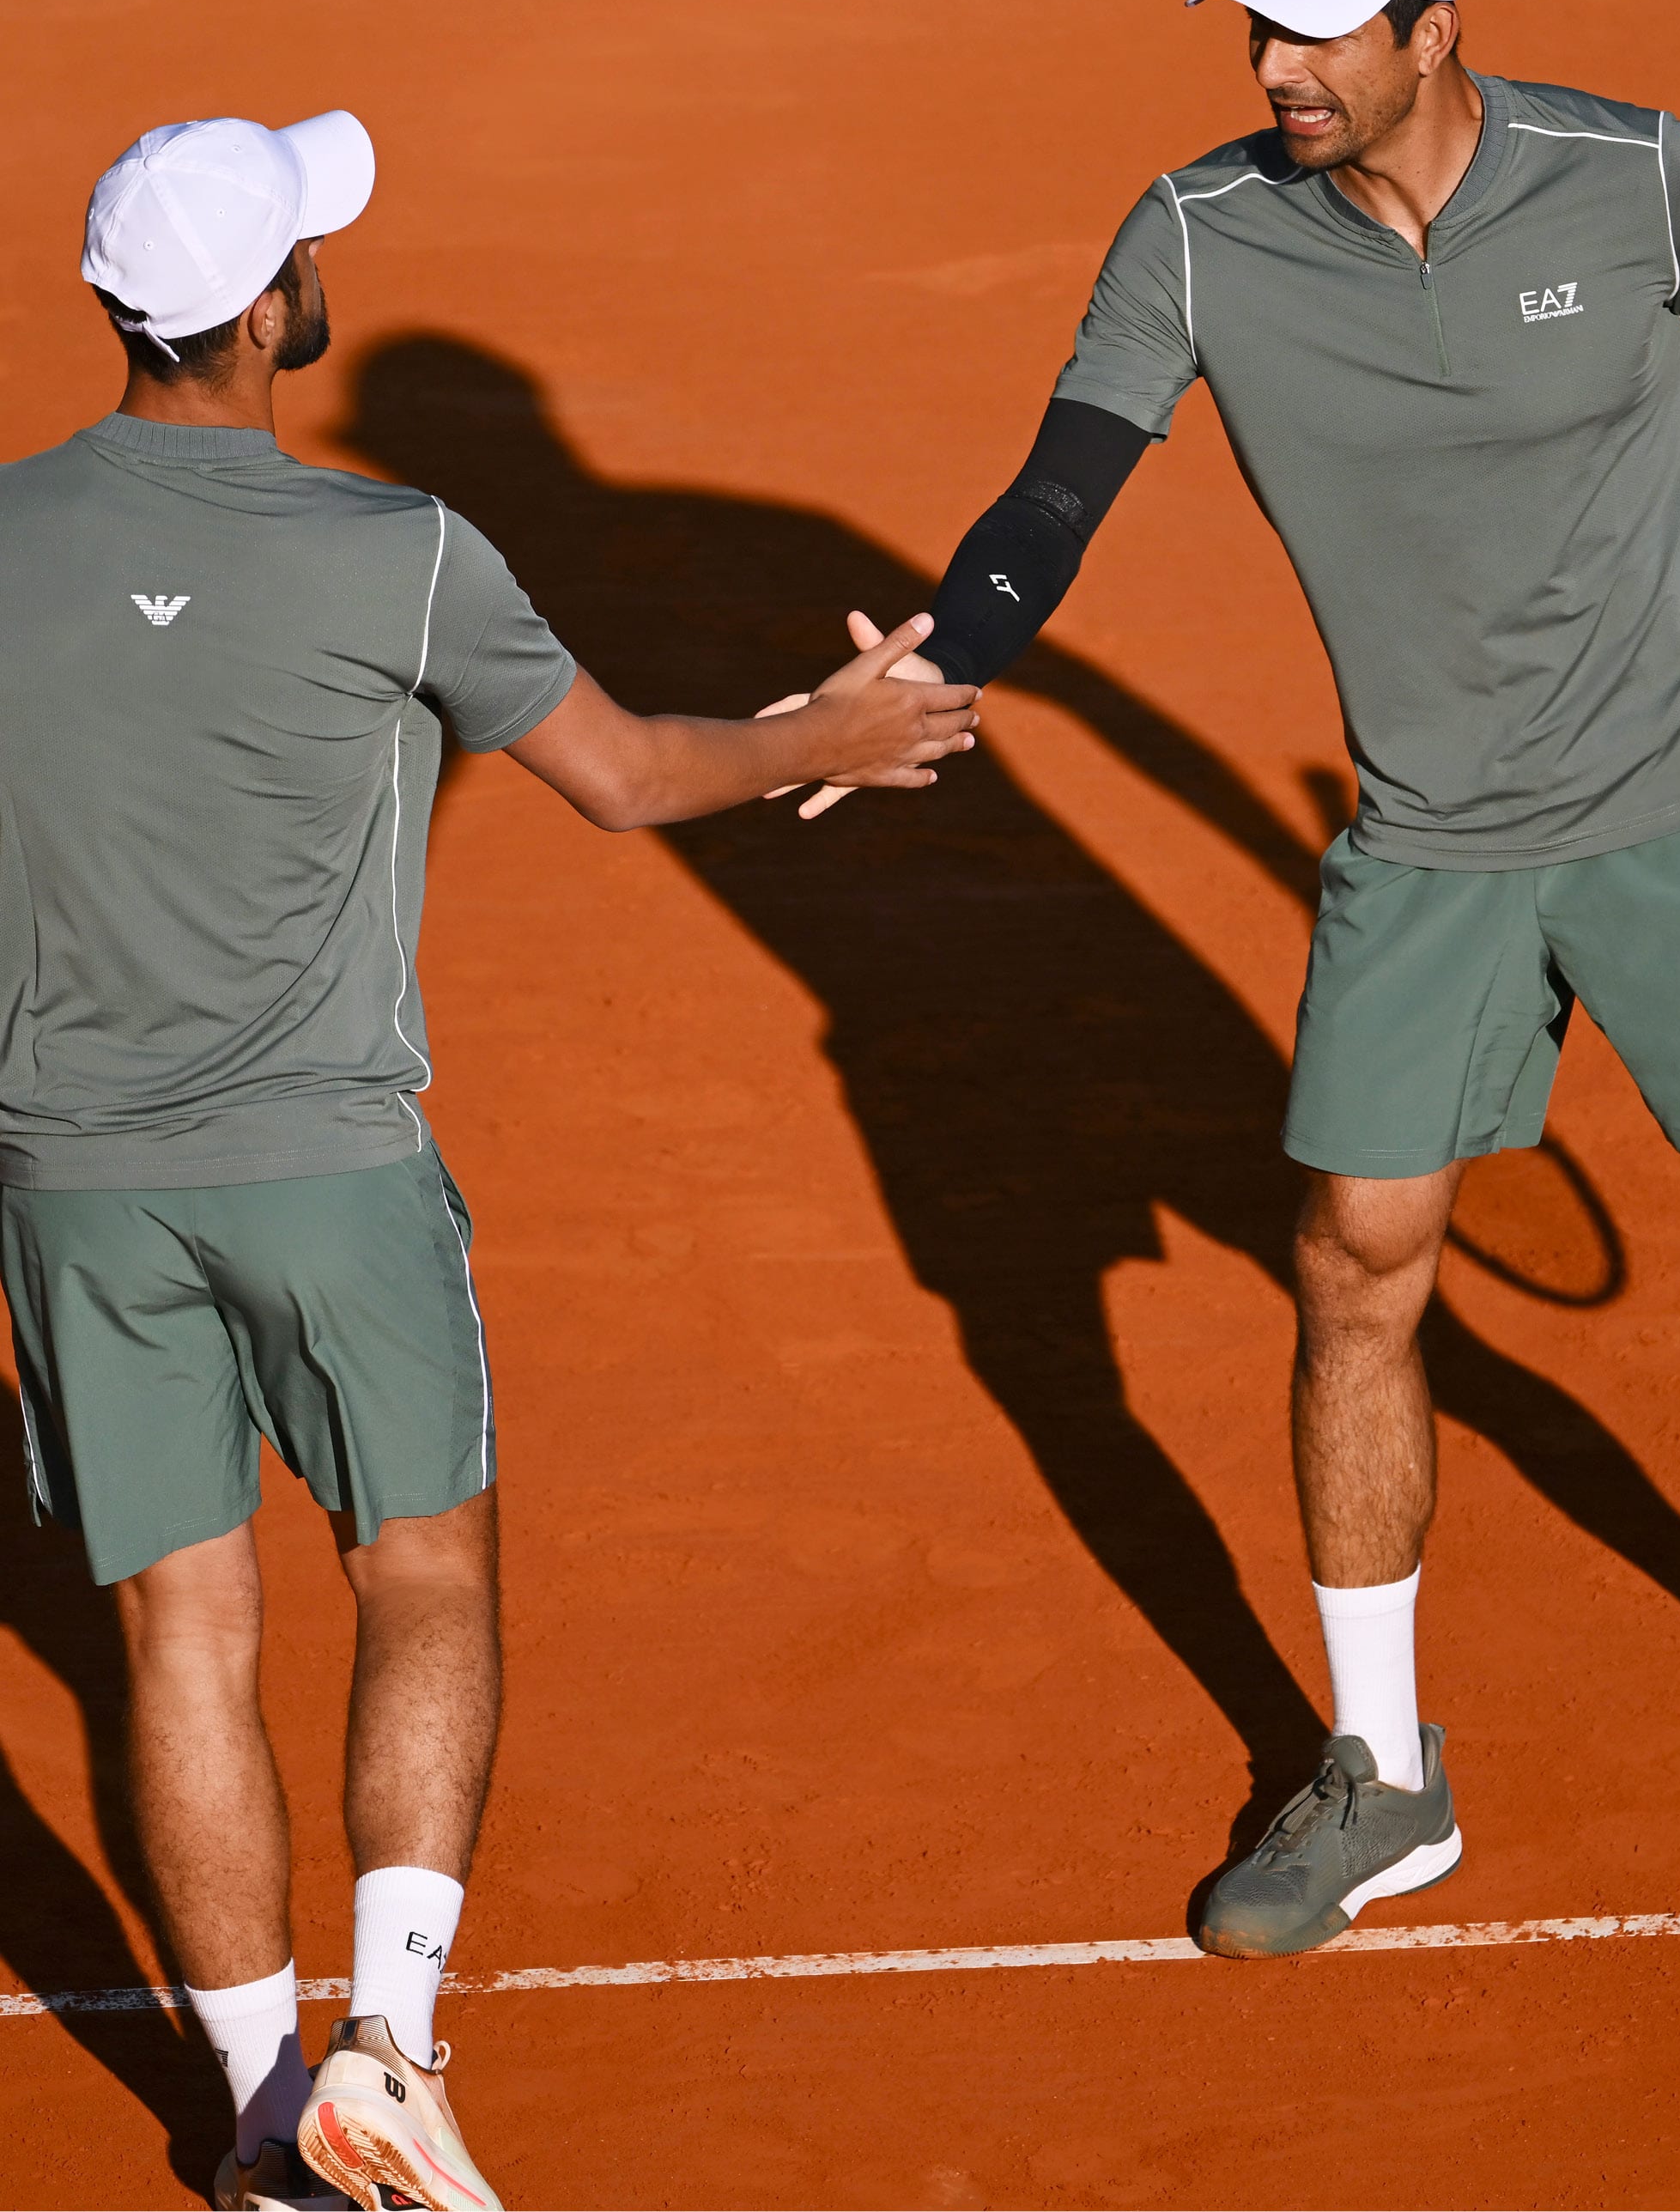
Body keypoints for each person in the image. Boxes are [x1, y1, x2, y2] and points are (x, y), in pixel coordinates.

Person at [806, 0, 1680, 1954]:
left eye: (1321, 33)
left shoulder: (1633, 174)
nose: (1276, 67)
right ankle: (1385, 1769)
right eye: (1261, 28)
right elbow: (1058, 493)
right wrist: (942, 660)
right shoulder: (1200, 235)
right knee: (1351, 1267)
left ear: (1436, 29)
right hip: (1427, 842)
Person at [0, 112, 977, 2210]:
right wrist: (835, 735)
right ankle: (392, 2053)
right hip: (329, 1170)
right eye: (304, 256)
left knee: (182, 1636)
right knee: (423, 1572)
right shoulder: (401, 550)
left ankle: (267, 2117)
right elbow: (624, 778)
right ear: (266, 313)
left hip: (69, 1182)